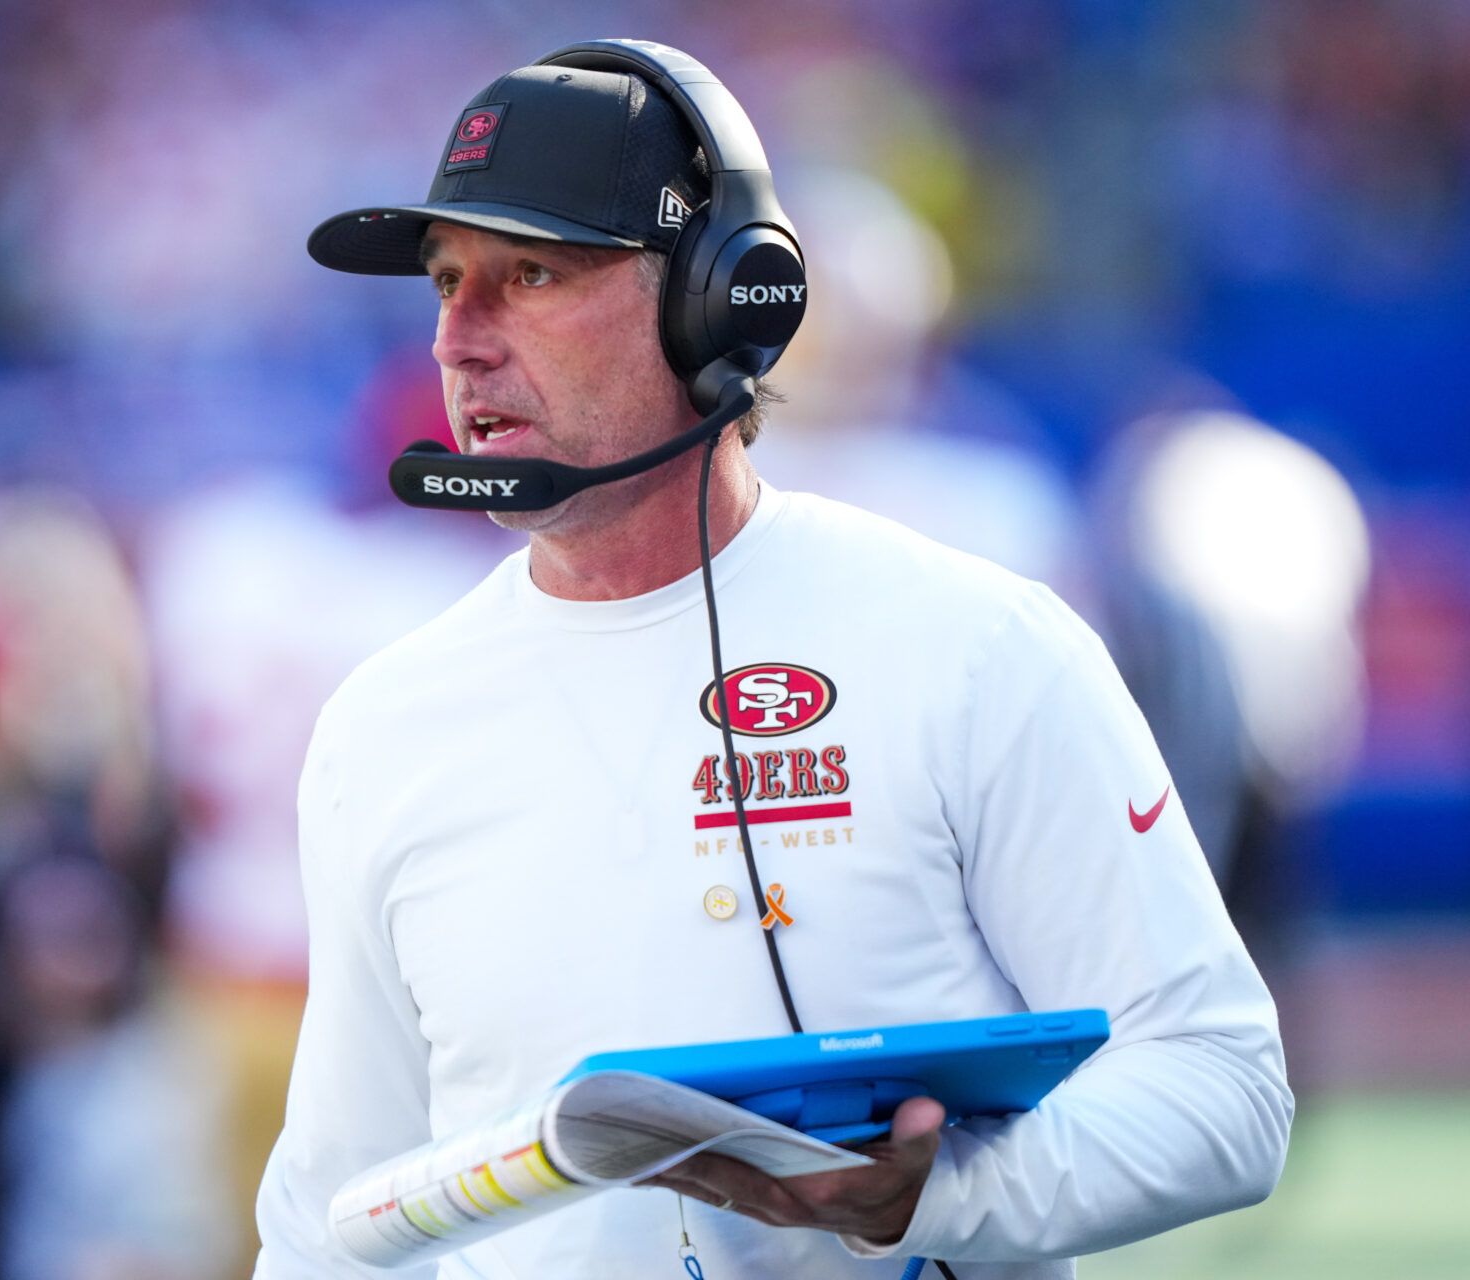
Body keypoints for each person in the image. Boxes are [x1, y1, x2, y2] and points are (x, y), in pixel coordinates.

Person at [255, 41, 1290, 1278]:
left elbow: (1226, 1088)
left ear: (723, 298)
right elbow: (341, 1216)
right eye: (442, 283)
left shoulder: (976, 649)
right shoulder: (384, 724)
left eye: (528, 272)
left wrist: (929, 1198)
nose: (456, 343)